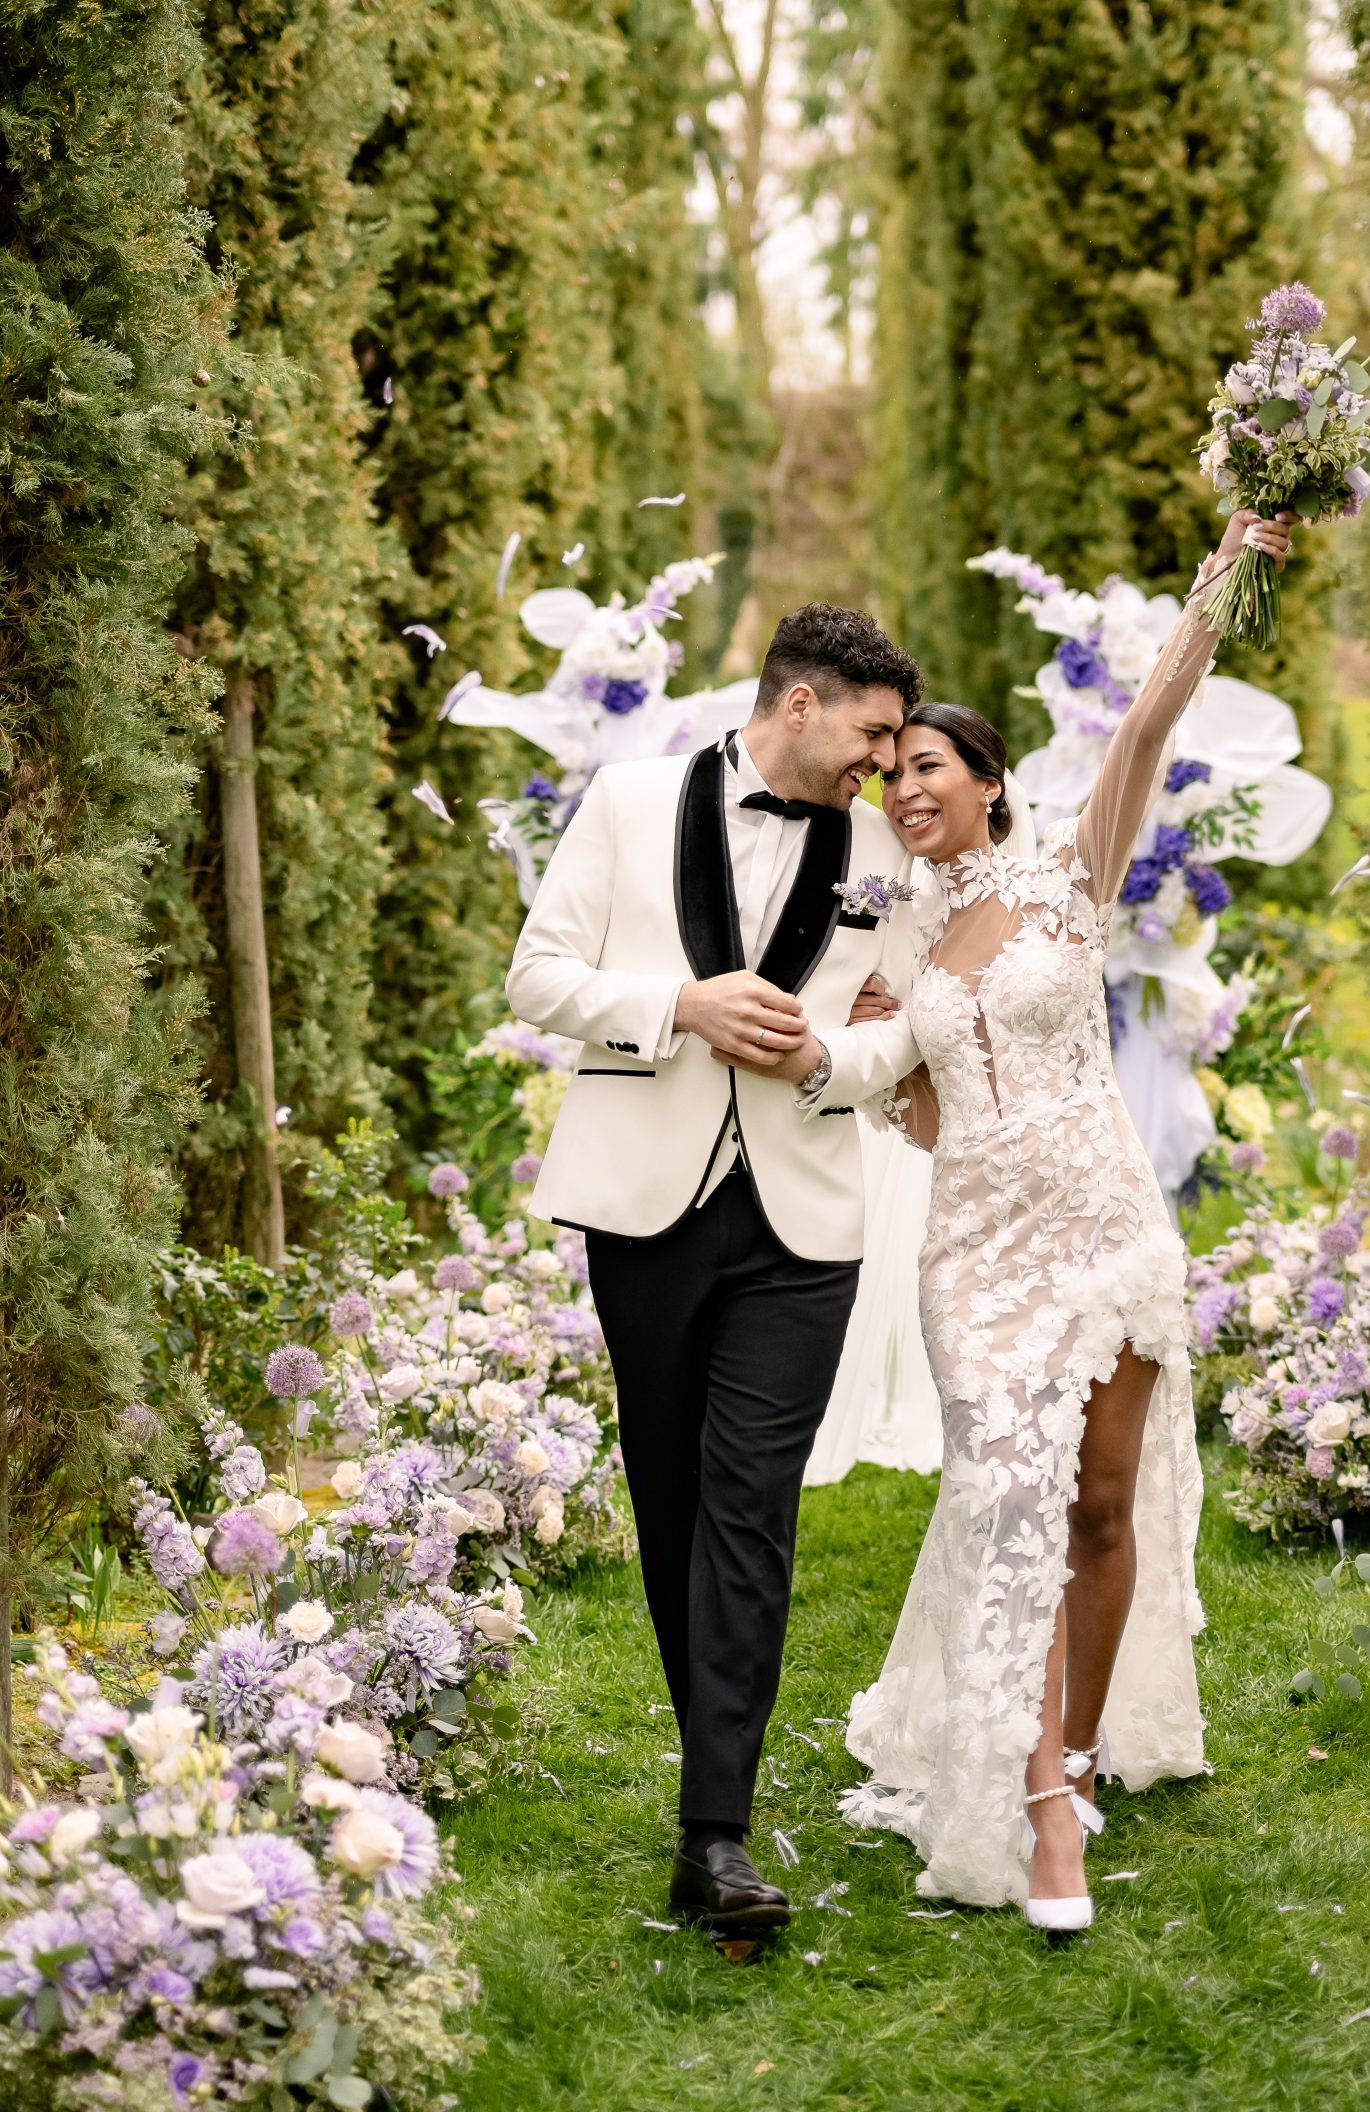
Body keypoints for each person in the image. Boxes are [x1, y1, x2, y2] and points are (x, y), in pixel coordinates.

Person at [831, 509, 1296, 1928]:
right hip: (974, 1252)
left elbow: (1150, 723)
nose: (901, 789)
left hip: (1105, 1232)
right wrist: (874, 1063)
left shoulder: (1069, 884)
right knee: (1007, 1498)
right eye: (887, 774)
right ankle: (1040, 1816)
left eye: (923, 767)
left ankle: (1078, 1752)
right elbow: (916, 1117)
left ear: (985, 783)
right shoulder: (896, 940)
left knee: (1099, 1505)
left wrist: (1228, 576)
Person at [504, 603, 924, 1940]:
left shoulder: (880, 850)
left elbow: (911, 1016)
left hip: (804, 1224)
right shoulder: (630, 802)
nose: (883, 760)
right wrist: (676, 1007)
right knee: (673, 1495)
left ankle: (715, 1839)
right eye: (871, 732)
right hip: (647, 1205)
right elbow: (537, 975)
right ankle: (718, 1777)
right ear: (799, 704)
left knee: (751, 1507)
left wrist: (850, 1042)